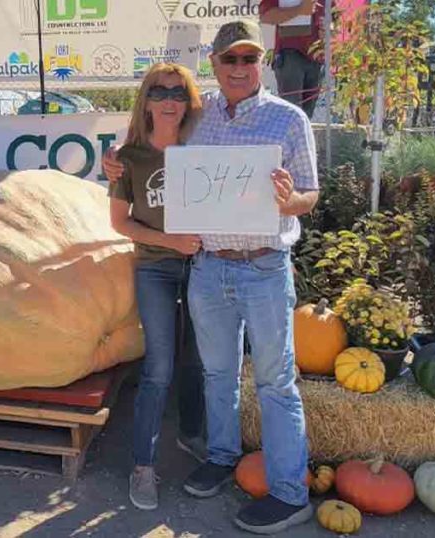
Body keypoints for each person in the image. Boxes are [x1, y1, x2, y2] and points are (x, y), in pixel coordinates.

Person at [103, 19, 319, 534]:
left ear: (262, 63)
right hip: (210, 267)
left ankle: (291, 493)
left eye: (249, 58)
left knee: (275, 382)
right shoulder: (202, 122)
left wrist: (291, 201)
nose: (240, 68)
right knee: (217, 375)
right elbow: (152, 141)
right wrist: (111, 162)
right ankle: (221, 458)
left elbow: (310, 193)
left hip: (264, 267)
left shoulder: (289, 120)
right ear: (216, 67)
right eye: (230, 59)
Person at [107, 62, 208, 511]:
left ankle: (191, 436)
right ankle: (143, 465)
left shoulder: (204, 147)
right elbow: (120, 224)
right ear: (146, 100)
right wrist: (170, 241)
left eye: (179, 92)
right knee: (159, 367)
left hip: (205, 268)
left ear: (189, 102)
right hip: (155, 270)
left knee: (199, 362)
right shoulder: (128, 158)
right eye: (160, 91)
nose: (169, 100)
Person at [261, 0, 326, 118]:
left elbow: (333, 16)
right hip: (290, 54)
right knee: (291, 115)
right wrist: (300, 10)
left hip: (317, 57)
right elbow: (266, 15)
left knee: (306, 118)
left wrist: (329, 29)